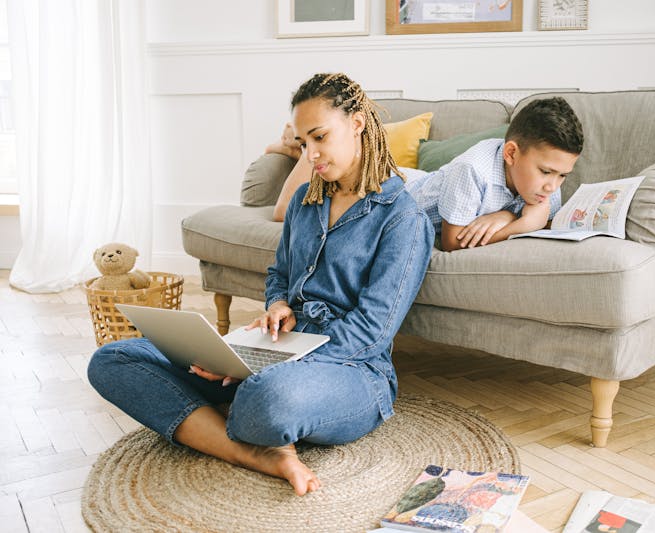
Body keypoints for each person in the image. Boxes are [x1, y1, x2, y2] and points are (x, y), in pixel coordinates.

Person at [87, 72, 434, 497]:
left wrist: (266, 367)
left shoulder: (403, 219)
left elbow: (372, 332)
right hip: (276, 349)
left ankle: (229, 412)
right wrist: (277, 305)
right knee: (113, 359)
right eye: (303, 143)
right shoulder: (306, 201)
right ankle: (253, 452)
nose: (310, 154)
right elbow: (280, 276)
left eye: (320, 137)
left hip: (353, 370)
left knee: (267, 399)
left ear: (357, 124)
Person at [268, 97, 583, 252]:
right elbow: (451, 242)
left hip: (421, 180)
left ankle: (303, 145)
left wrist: (506, 215)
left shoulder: (544, 182)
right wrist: (521, 224)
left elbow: (546, 217)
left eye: (562, 176)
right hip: (388, 192)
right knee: (289, 211)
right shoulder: (473, 170)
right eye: (546, 172)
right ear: (511, 154)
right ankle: (304, 145)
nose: (552, 186)